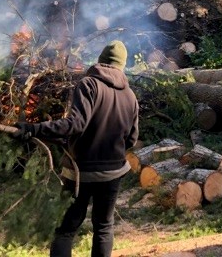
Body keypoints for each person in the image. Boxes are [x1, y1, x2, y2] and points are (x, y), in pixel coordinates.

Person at [15, 40, 139, 257]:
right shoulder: (130, 95)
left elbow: (76, 125)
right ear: (122, 65)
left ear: (101, 60)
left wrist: (33, 129)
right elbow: (132, 139)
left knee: (66, 229)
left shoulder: (89, 84)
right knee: (103, 227)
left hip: (81, 171)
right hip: (114, 171)